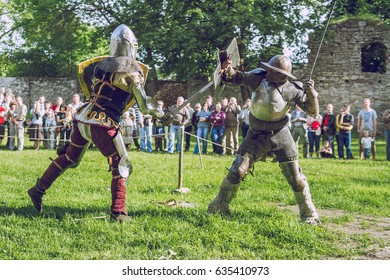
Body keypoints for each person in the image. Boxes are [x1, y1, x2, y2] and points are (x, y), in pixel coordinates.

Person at [28, 24, 157, 222]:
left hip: (83, 118)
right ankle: (118, 212)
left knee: (71, 159)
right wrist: (165, 115)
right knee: (121, 165)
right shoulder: (132, 72)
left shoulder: (102, 66)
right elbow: (145, 107)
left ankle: (38, 189)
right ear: (131, 45)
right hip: (102, 124)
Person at [207, 54, 321, 225]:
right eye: (270, 69)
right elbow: (237, 77)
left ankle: (309, 214)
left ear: (284, 75)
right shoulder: (259, 78)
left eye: (274, 71)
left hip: (280, 134)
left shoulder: (292, 89)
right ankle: (219, 207)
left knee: (295, 177)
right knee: (237, 170)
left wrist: (312, 94)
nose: (269, 72)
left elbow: (313, 112)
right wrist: (228, 67)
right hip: (256, 133)